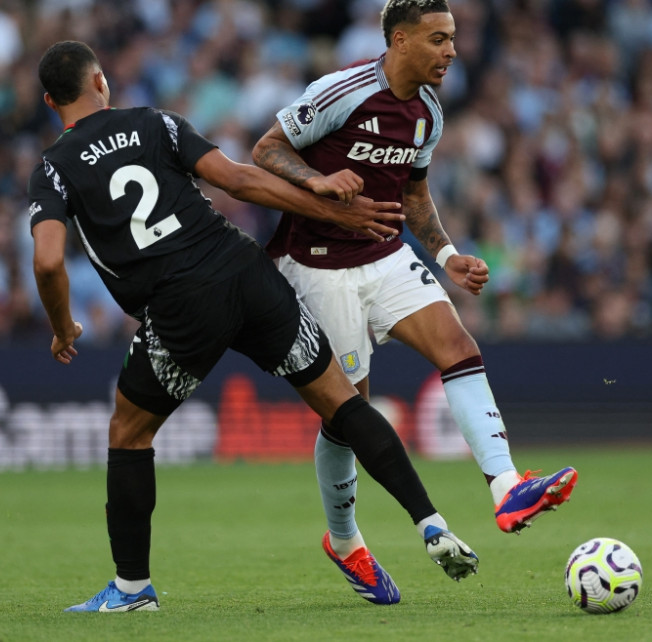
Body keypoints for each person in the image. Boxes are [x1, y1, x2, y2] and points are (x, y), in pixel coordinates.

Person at [29, 40, 480, 613]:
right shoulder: (155, 123)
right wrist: (320, 194)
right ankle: (431, 523)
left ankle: (132, 590)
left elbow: (46, 261)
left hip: (180, 305)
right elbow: (239, 181)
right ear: (101, 81)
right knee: (342, 404)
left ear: (50, 101)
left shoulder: (52, 166)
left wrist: (63, 324)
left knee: (128, 433)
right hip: (245, 271)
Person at [251, 0, 578, 603]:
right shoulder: (339, 92)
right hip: (316, 267)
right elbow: (264, 150)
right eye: (439, 38)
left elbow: (414, 197)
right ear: (399, 39)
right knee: (349, 417)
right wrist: (320, 180)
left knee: (458, 345)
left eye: (453, 38)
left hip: (386, 255)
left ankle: (506, 487)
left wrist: (449, 255)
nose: (452, 50)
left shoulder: (428, 110)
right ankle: (345, 540)